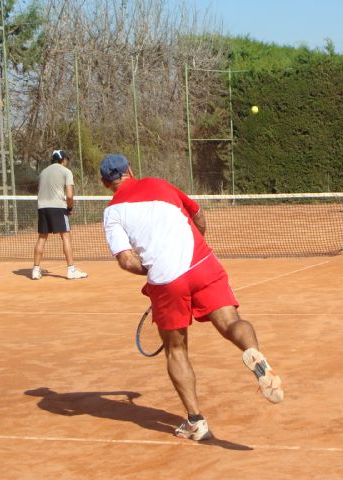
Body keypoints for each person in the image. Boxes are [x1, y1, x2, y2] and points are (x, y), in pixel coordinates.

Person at [99, 153, 283, 442]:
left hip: (166, 280)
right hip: (202, 263)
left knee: (176, 350)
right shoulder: (160, 184)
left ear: (104, 183)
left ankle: (196, 421)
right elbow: (198, 215)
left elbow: (126, 260)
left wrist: (153, 269)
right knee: (231, 322)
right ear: (130, 170)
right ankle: (255, 354)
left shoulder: (112, 213)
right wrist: (195, 244)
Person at [32, 150, 88, 280]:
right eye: (66, 159)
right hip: (58, 207)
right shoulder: (66, 172)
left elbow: (39, 190)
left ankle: (35, 270)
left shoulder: (43, 172)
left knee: (41, 238)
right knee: (66, 237)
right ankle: (71, 270)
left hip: (42, 207)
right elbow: (69, 195)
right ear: (63, 160)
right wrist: (70, 207)